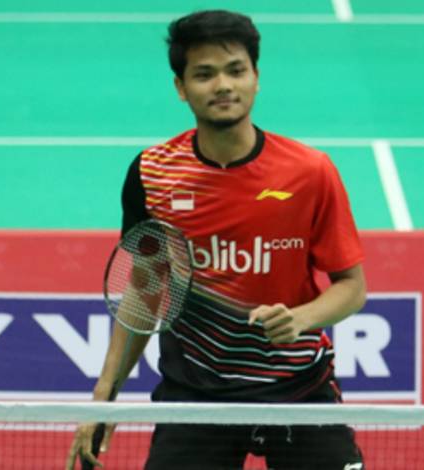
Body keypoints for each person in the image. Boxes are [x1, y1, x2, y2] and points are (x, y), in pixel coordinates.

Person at [65, 10, 367, 470]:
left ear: (256, 78)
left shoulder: (310, 172)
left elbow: (352, 287)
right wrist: (104, 398)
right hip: (196, 394)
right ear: (181, 87)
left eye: (236, 70)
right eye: (204, 74)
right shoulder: (152, 173)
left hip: (298, 387)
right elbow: (145, 292)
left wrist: (300, 319)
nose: (223, 85)